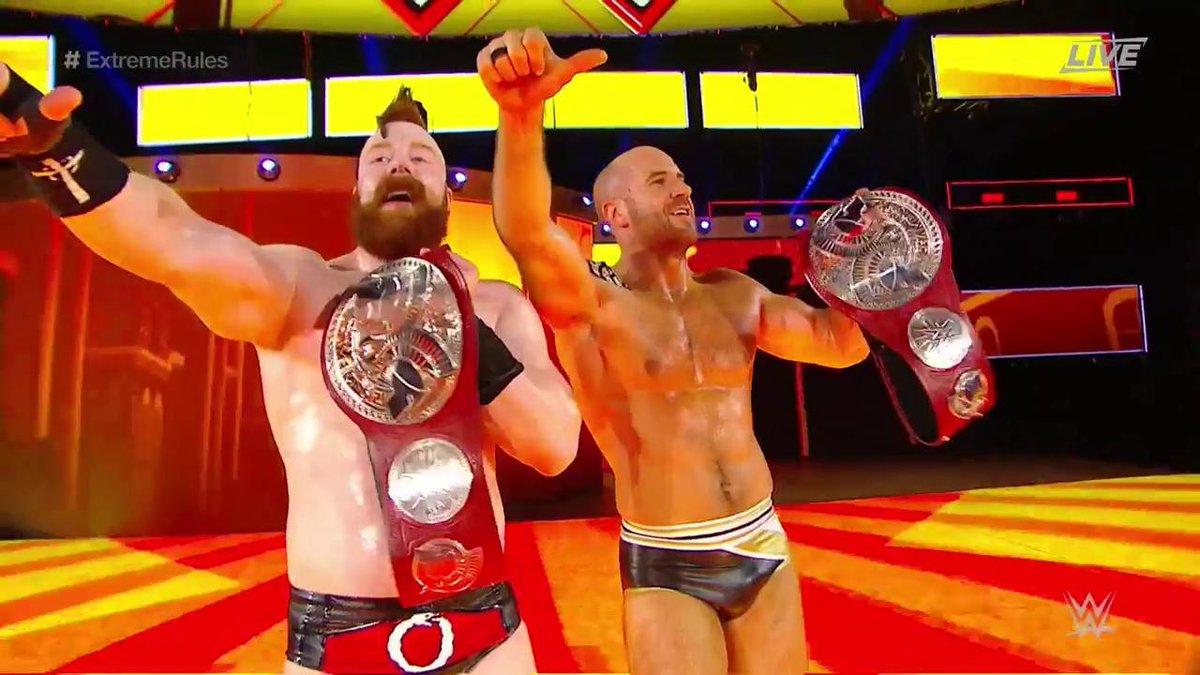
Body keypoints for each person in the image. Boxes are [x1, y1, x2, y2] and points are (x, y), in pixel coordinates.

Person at [0, 61, 581, 675]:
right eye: (379, 157)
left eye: (421, 157)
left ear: (446, 191)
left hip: (483, 628)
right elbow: (173, 240)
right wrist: (57, 153)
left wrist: (456, 324)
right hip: (337, 636)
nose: (400, 164)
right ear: (357, 190)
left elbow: (554, 446)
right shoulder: (299, 288)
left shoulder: (496, 306)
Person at [477, 28, 870, 675]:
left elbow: (837, 344)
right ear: (617, 213)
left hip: (762, 537)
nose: (684, 190)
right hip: (669, 558)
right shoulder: (594, 305)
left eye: (682, 179)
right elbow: (526, 232)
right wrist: (521, 117)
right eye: (662, 182)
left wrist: (878, 287)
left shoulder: (735, 294)